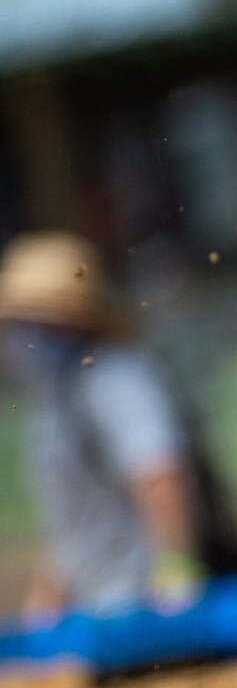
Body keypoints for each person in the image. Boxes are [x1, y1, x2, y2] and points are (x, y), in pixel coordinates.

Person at [0, 232, 223, 618]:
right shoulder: (53, 404)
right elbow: (70, 528)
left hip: (143, 609)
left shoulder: (115, 378)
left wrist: (176, 571)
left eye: (32, 323)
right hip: (100, 610)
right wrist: (43, 609)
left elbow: (159, 473)